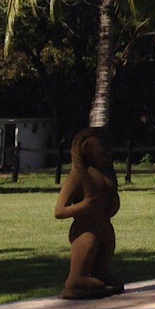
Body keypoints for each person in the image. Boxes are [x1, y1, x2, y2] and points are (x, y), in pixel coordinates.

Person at [53, 127, 124, 299]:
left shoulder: (105, 174)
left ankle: (100, 273)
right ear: (87, 150)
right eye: (101, 148)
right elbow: (59, 211)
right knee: (89, 242)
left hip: (104, 225)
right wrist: (84, 205)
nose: (106, 152)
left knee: (106, 246)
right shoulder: (78, 175)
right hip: (85, 229)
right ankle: (76, 280)